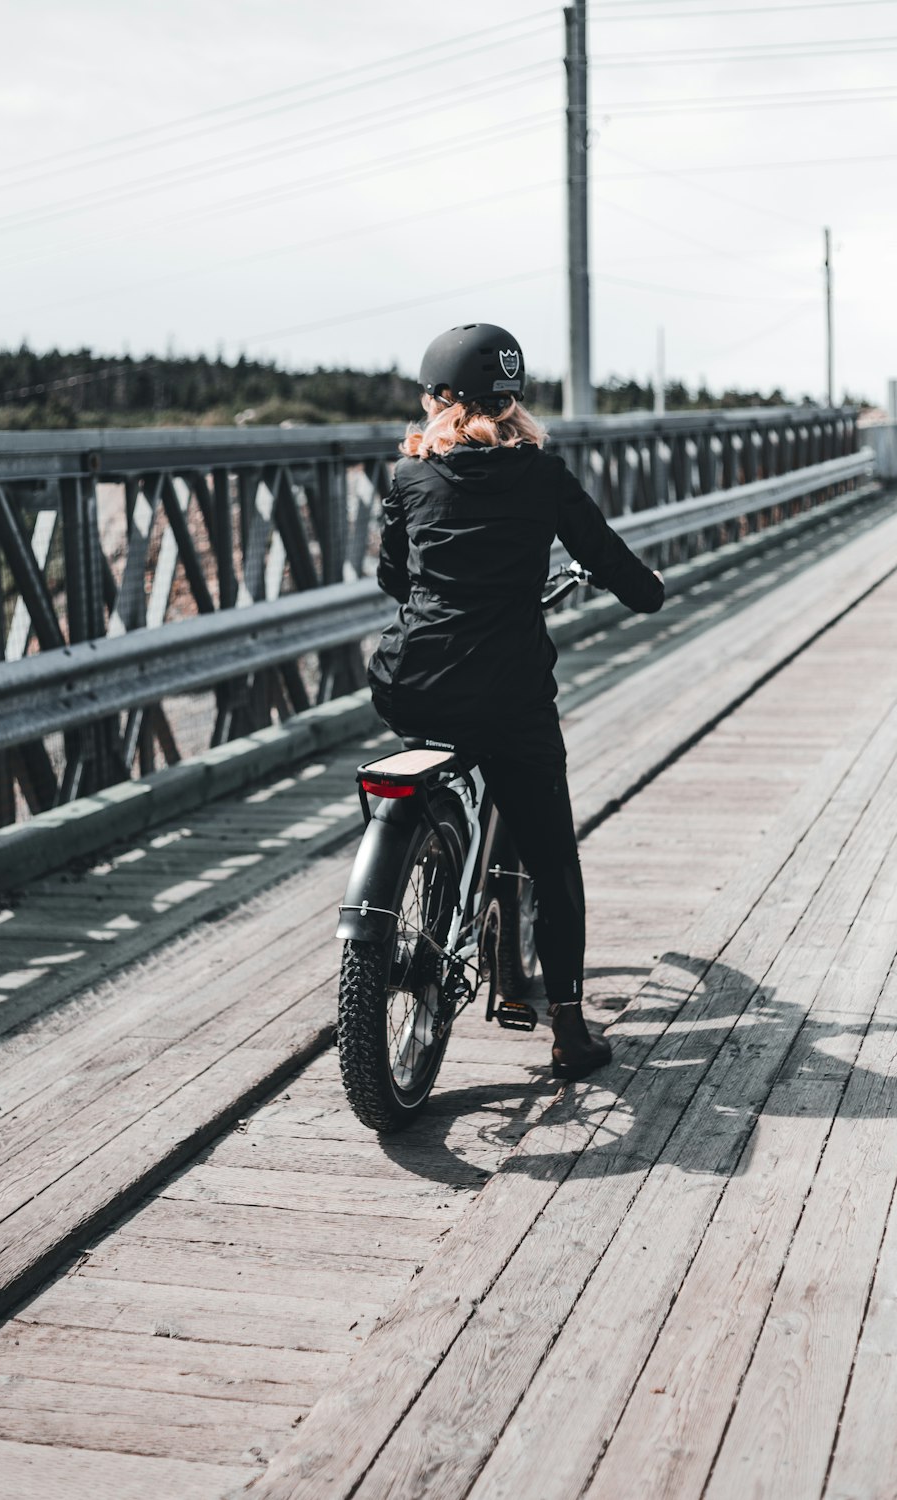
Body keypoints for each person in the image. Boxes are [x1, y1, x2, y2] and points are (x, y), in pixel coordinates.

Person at [368, 322, 664, 1080]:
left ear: (439, 399)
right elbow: (615, 567)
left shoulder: (406, 480)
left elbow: (393, 582)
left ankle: (420, 863)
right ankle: (568, 1027)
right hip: (510, 698)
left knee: (438, 752)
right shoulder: (544, 477)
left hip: (414, 686)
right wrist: (647, 589)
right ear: (512, 399)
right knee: (554, 859)